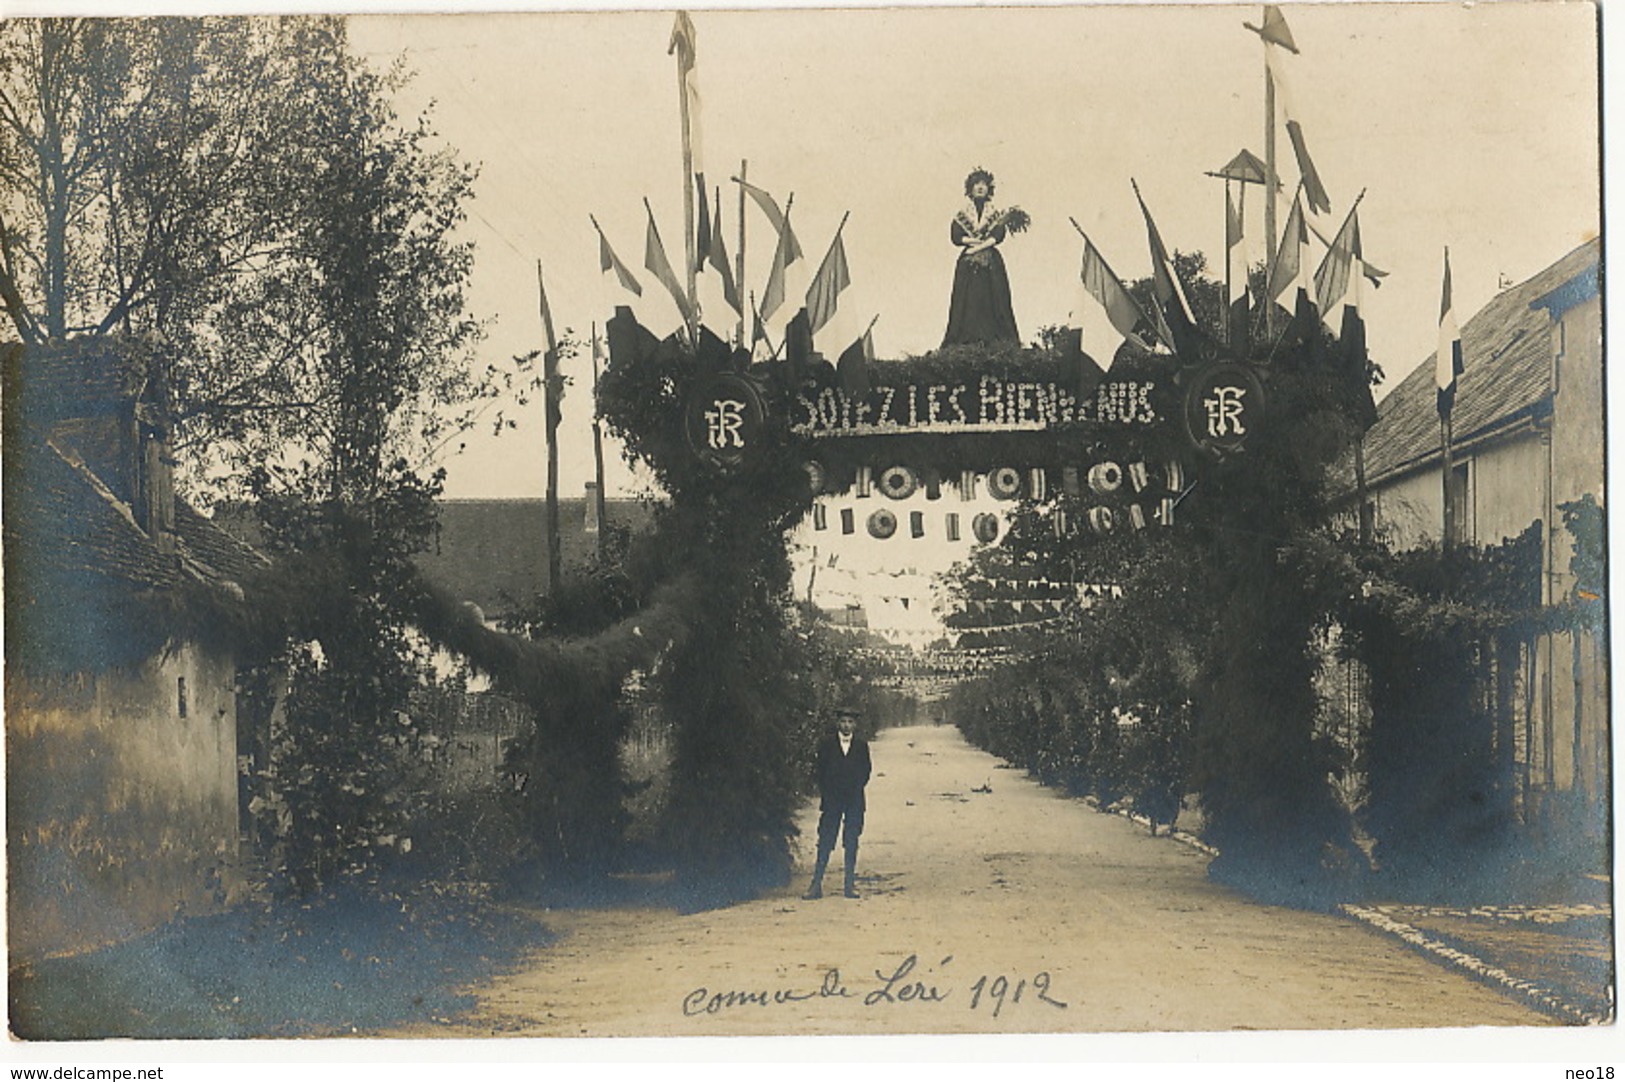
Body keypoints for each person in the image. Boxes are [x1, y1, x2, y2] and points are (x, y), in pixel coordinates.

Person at [941, 167, 1026, 348]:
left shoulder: (996, 214)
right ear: (970, 189)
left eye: (984, 184)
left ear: (989, 189)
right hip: (968, 261)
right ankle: (964, 342)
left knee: (995, 298)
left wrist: (979, 247)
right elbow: (956, 236)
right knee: (966, 300)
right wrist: (972, 243)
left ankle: (998, 342)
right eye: (976, 184)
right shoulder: (962, 214)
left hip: (991, 260)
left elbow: (997, 236)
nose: (980, 187)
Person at [804, 707, 872, 900]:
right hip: (832, 800)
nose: (846, 725)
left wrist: (853, 788)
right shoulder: (826, 745)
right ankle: (816, 885)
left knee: (851, 840)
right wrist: (829, 791)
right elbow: (820, 771)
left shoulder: (861, 746)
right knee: (825, 840)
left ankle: (849, 886)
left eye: (850, 722)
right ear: (838, 723)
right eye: (843, 721)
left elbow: (865, 772)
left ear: (855, 725)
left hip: (854, 800)